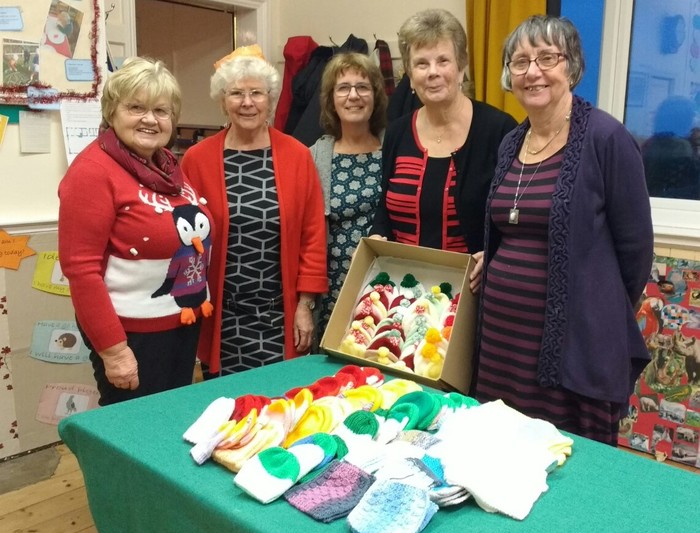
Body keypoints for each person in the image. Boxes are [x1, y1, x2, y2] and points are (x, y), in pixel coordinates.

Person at [475, 15, 654, 445]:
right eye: (520, 62)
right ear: (508, 76)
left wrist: (595, 304)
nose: (533, 71)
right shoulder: (511, 142)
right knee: (502, 455)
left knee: (565, 464)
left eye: (547, 58)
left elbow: (636, 252)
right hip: (503, 345)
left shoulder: (606, 138)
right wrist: (494, 259)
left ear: (570, 67)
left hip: (572, 349)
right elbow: (510, 226)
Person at [58, 57, 214, 406]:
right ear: (112, 111)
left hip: (179, 326)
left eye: (162, 110)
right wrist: (114, 352)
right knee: (133, 437)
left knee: (169, 423)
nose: (150, 119)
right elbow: (81, 270)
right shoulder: (93, 172)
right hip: (132, 337)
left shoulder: (166, 166)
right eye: (136, 107)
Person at [181, 45, 328, 377]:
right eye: (236, 93)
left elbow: (313, 237)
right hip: (222, 318)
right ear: (222, 100)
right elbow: (184, 239)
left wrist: (305, 306)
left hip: (281, 316)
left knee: (281, 405)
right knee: (225, 411)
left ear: (270, 99)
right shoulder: (197, 160)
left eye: (256, 93)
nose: (247, 102)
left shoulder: (297, 155)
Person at [369, 8, 517, 258]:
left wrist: (493, 255)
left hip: (473, 287)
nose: (432, 72)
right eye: (421, 64)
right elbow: (385, 207)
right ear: (411, 75)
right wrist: (376, 237)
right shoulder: (397, 132)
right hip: (405, 287)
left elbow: (515, 220)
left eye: (443, 60)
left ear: (461, 67)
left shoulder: (500, 130)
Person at [310, 52, 387, 335]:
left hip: (387, 286)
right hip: (333, 291)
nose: (353, 95)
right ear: (331, 98)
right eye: (343, 88)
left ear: (375, 95)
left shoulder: (394, 148)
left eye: (363, 87)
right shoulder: (314, 157)